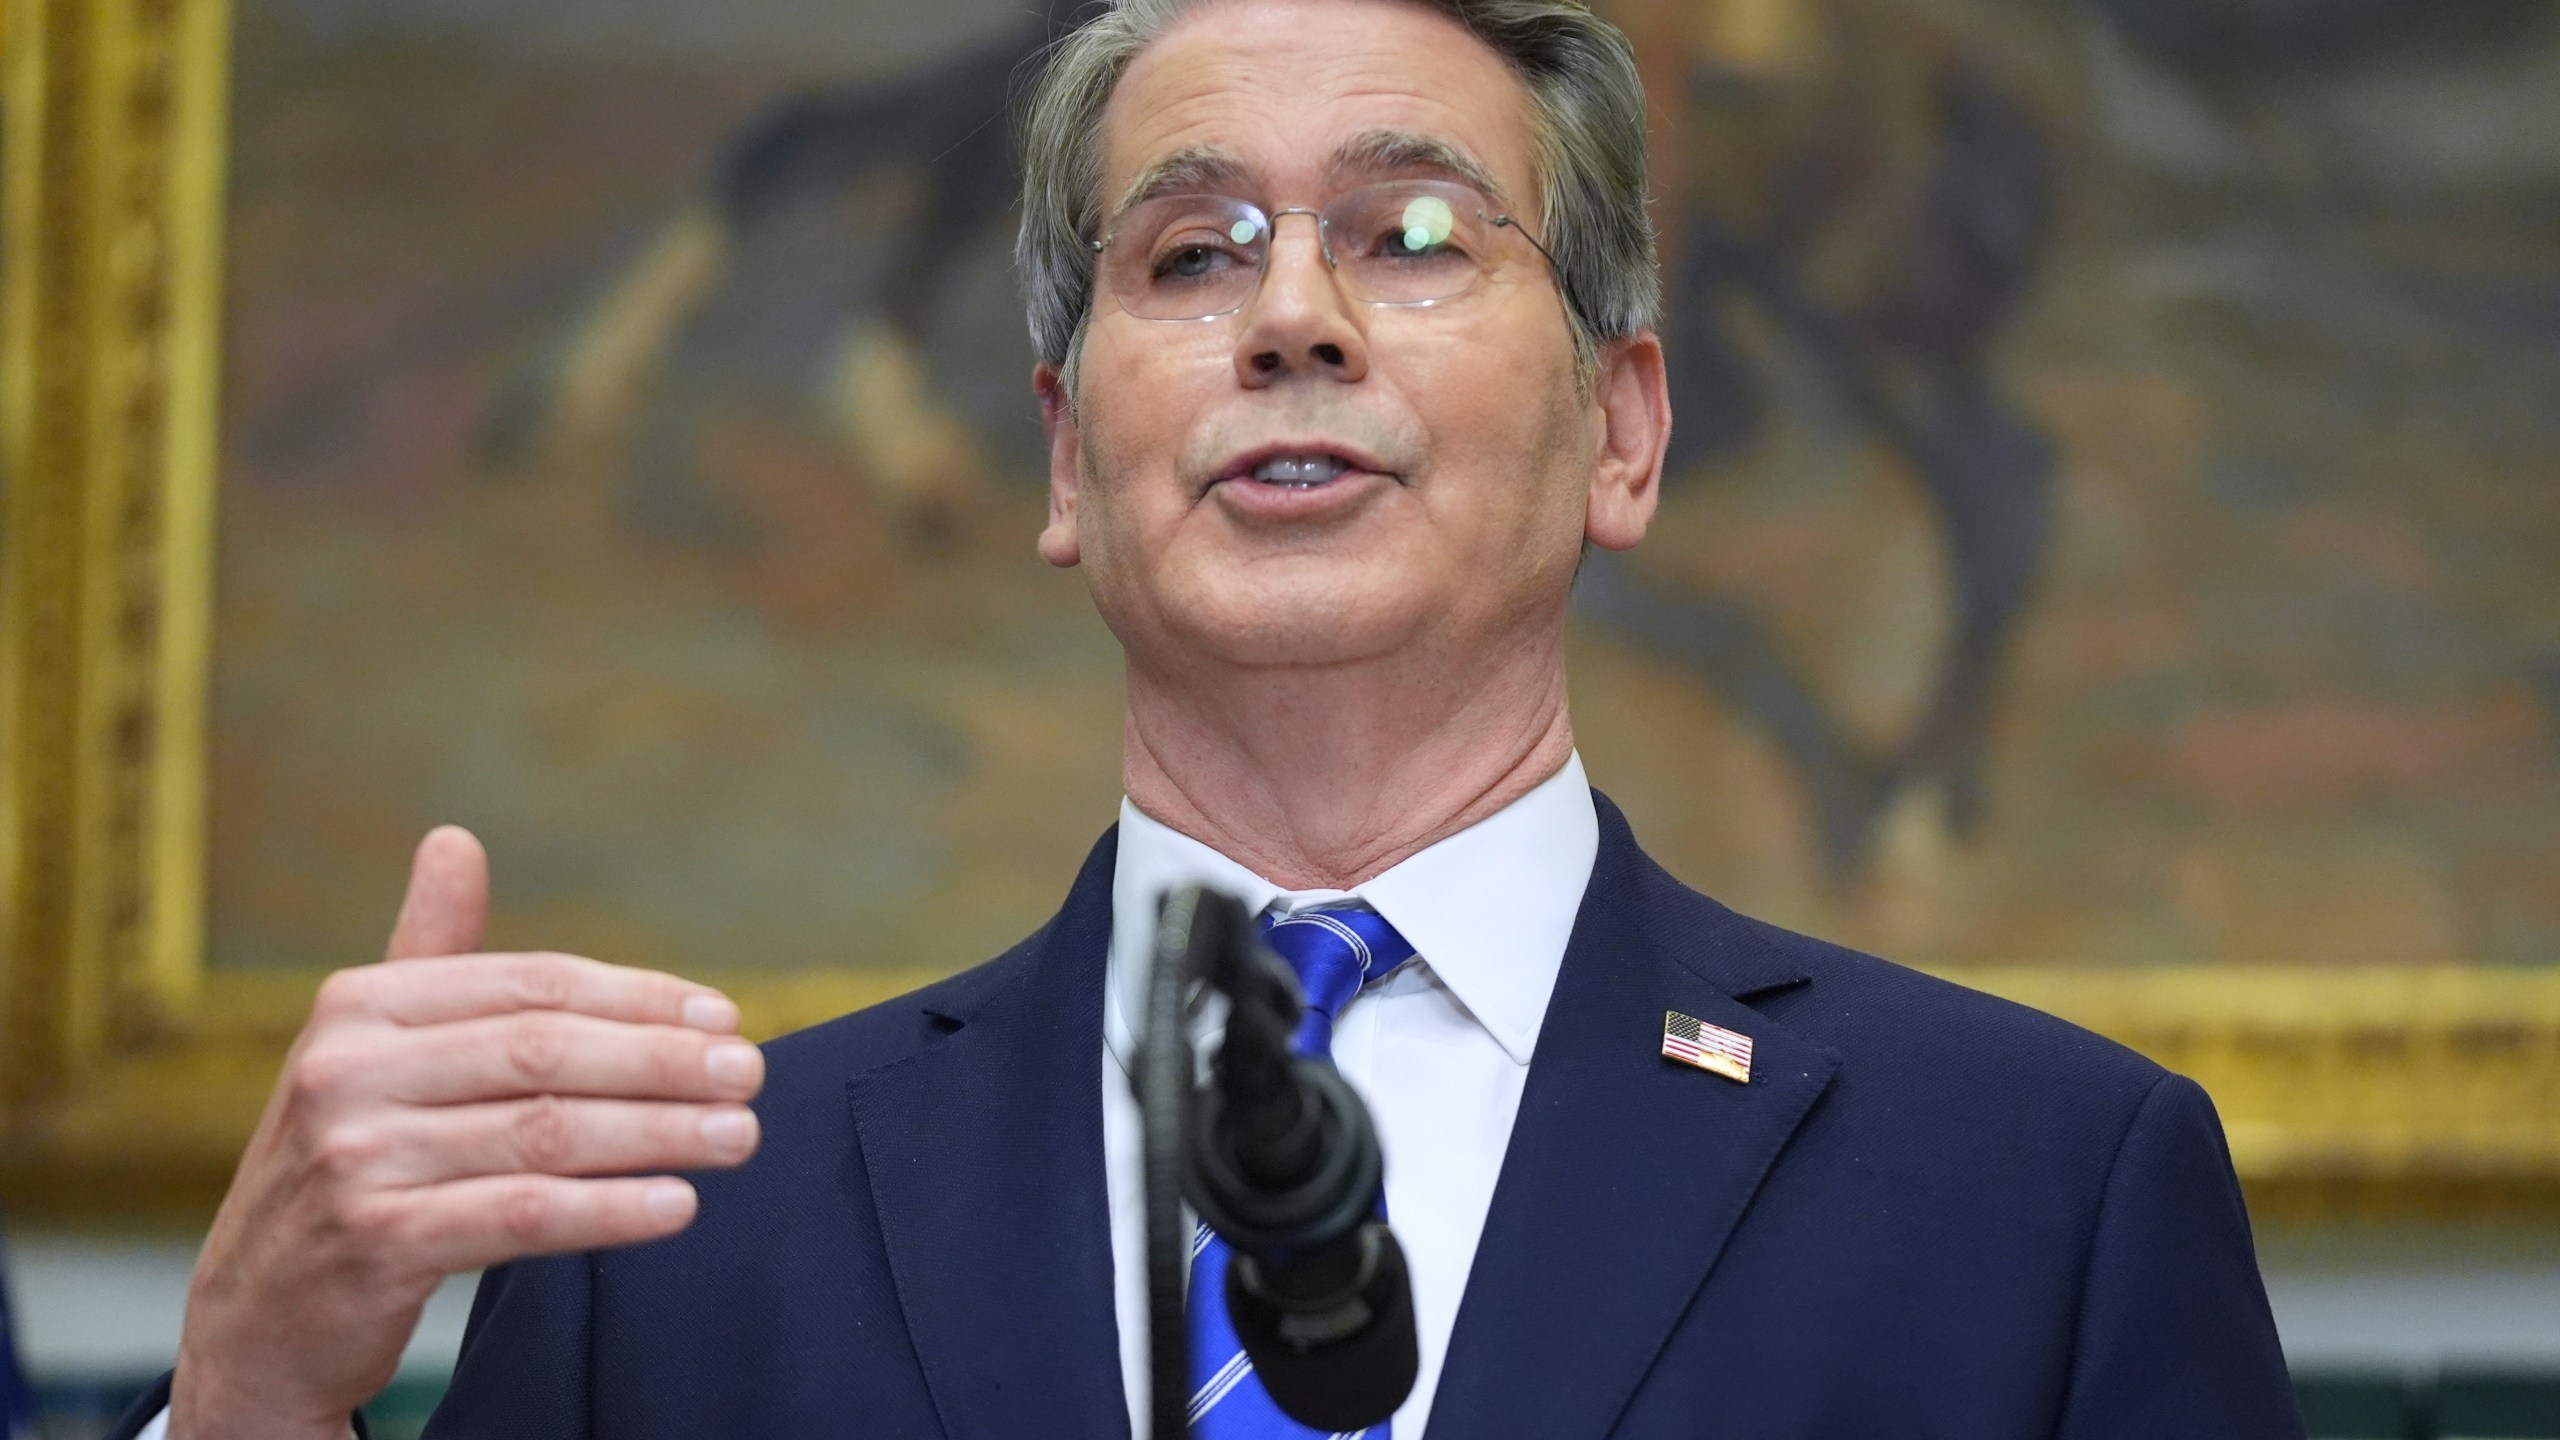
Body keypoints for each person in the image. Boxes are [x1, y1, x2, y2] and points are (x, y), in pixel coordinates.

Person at [122, 0, 2307, 1436]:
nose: (1287, 316)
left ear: (1625, 432)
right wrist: (243, 1396)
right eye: (1186, 255)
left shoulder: (2038, 1196)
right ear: (1070, 464)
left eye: (1414, 232)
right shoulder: (701, 1232)